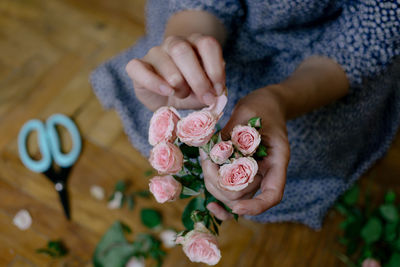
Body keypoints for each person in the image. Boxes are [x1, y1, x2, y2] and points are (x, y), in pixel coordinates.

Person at [91, 0, 400, 229]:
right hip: (214, 25)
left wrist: (277, 100)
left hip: (322, 57)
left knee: (303, 141)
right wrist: (186, 44)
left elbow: (361, 43)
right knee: (185, 92)